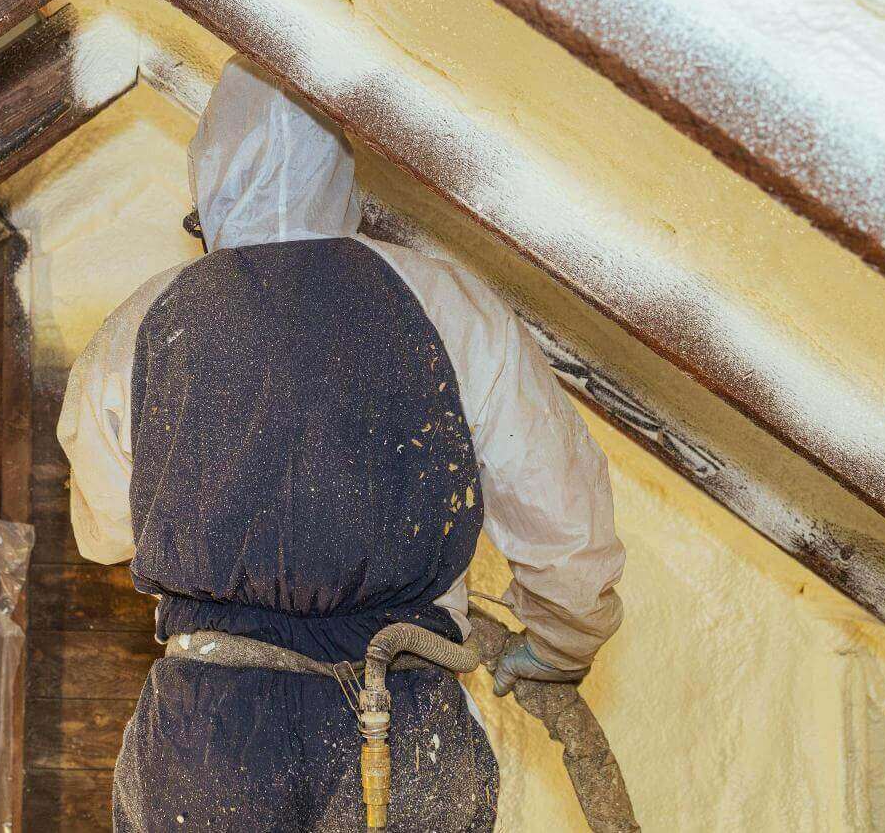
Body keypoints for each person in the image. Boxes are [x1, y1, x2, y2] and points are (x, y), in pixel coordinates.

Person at [58, 55, 625, 832]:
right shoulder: (450, 302)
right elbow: (563, 519)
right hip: (402, 704)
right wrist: (561, 642)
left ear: (209, 179)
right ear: (345, 170)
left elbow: (103, 534)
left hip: (212, 729)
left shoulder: (141, 322)